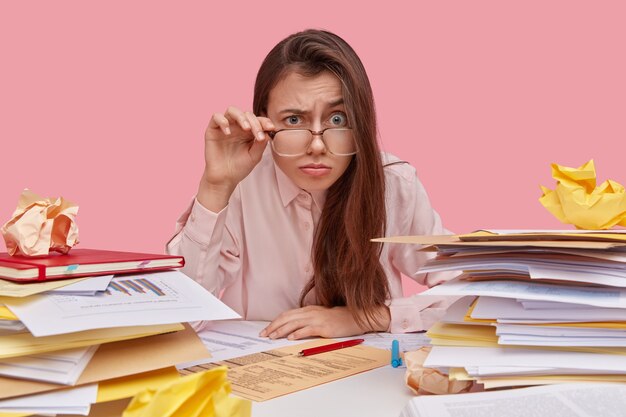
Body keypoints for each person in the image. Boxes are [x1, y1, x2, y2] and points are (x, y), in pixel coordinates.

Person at [166, 29, 453, 340]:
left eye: (338, 119)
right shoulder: (241, 185)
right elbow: (183, 318)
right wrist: (215, 185)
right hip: (261, 376)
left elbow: (476, 294)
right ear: (264, 121)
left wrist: (369, 316)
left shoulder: (394, 185)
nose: (317, 146)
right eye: (293, 120)